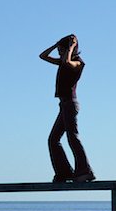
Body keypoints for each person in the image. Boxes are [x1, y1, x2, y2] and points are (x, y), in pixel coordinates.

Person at [39, 34, 95, 183]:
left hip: (70, 104)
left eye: (61, 51)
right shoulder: (64, 62)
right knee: (53, 140)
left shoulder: (78, 63)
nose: (59, 54)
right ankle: (64, 173)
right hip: (63, 105)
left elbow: (67, 61)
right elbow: (43, 56)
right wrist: (56, 44)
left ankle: (85, 171)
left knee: (72, 137)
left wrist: (70, 47)